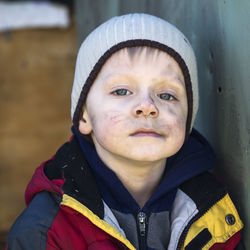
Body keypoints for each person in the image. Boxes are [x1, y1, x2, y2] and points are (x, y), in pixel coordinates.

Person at [7, 13, 243, 250]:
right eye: (121, 91)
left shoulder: (215, 214)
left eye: (167, 95)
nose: (147, 106)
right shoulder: (47, 229)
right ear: (83, 116)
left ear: (187, 120)